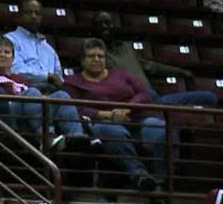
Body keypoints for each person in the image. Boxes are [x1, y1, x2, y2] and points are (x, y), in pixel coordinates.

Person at [60, 38, 166, 191]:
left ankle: (160, 182)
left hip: (135, 119)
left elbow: (144, 93)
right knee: (111, 130)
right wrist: (107, 115)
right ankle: (139, 175)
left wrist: (127, 108)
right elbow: (75, 107)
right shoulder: (73, 82)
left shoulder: (121, 74)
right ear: (82, 60)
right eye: (91, 56)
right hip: (102, 123)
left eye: (100, 56)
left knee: (160, 128)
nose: (97, 59)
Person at [0, 36, 83, 149]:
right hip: (7, 110)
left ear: (13, 58)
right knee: (32, 94)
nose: (3, 55)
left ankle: (77, 138)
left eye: (7, 52)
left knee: (61, 96)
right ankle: (46, 137)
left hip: (30, 110)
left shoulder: (20, 79)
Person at [90, 12, 217, 107]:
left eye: (108, 23)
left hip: (153, 97)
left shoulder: (126, 48)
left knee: (209, 98)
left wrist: (180, 72)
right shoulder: (93, 53)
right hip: (132, 100)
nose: (105, 26)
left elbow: (151, 66)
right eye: (100, 24)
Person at [5, 0, 65, 92]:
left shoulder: (48, 48)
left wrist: (56, 80)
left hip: (51, 92)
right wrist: (48, 76)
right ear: (19, 16)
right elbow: (15, 70)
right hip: (24, 89)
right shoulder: (10, 39)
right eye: (28, 13)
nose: (33, 16)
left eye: (37, 13)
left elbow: (58, 77)